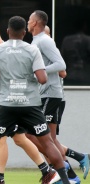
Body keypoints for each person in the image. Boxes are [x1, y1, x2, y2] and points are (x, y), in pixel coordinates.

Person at [0, 16, 70, 184]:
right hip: (30, 105)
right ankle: (64, 180)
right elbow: (43, 79)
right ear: (24, 33)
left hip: (5, 104)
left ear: (7, 32)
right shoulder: (32, 50)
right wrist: (29, 76)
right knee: (48, 142)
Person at [26, 10, 87, 184]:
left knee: (33, 135)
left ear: (36, 22)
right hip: (42, 95)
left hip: (50, 95)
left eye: (30, 19)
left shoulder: (45, 40)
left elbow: (61, 66)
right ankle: (67, 175)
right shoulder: (36, 41)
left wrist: (41, 71)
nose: (27, 22)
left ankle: (60, 167)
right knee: (42, 137)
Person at [45, 25, 90, 181]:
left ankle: (67, 174)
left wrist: (41, 69)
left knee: (46, 140)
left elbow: (63, 72)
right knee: (48, 140)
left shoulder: (50, 48)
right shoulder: (42, 47)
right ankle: (74, 166)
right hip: (48, 97)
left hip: (54, 97)